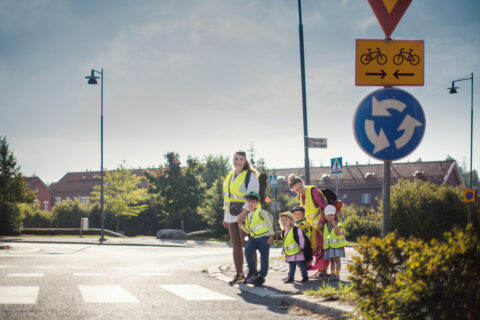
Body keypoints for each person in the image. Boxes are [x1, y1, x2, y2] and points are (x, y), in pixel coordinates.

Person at [223, 150, 259, 285]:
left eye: (241, 159)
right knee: (236, 245)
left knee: (247, 244)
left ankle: (253, 273)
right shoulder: (229, 176)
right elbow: (227, 198)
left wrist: (243, 214)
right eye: (236, 159)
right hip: (231, 214)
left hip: (246, 214)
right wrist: (225, 215)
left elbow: (252, 197)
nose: (238, 162)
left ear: (245, 161)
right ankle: (239, 274)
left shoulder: (251, 176)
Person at [288, 174, 330, 279]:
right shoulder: (300, 197)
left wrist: (321, 223)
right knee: (316, 248)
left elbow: (325, 208)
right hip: (312, 227)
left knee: (322, 248)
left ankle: (323, 271)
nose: (300, 190)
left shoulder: (313, 192)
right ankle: (321, 270)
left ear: (303, 183)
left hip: (322, 224)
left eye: (301, 187)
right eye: (297, 190)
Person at [241, 191, 274, 287]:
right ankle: (253, 271)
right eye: (249, 202)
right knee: (247, 251)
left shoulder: (261, 212)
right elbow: (249, 231)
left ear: (257, 203)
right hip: (253, 238)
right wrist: (241, 226)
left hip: (264, 238)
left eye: (253, 202)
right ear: (246, 203)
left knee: (264, 257)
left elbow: (269, 224)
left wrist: (271, 237)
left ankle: (261, 276)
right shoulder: (247, 216)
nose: (250, 204)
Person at [279, 211, 308, 283]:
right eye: (282, 220)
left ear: (291, 220)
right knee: (291, 265)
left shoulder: (295, 229)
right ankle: (291, 277)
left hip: (298, 251)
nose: (284, 222)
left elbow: (301, 238)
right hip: (290, 253)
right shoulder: (284, 231)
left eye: (286, 220)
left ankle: (305, 276)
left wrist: (301, 246)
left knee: (301, 264)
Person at [323, 204, 347, 281]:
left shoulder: (338, 223)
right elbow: (326, 235)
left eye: (332, 215)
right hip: (330, 246)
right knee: (332, 261)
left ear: (335, 215)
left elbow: (337, 233)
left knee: (337, 260)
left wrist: (335, 225)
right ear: (325, 216)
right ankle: (332, 274)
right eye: (328, 215)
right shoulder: (326, 225)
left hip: (338, 246)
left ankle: (337, 274)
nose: (330, 217)